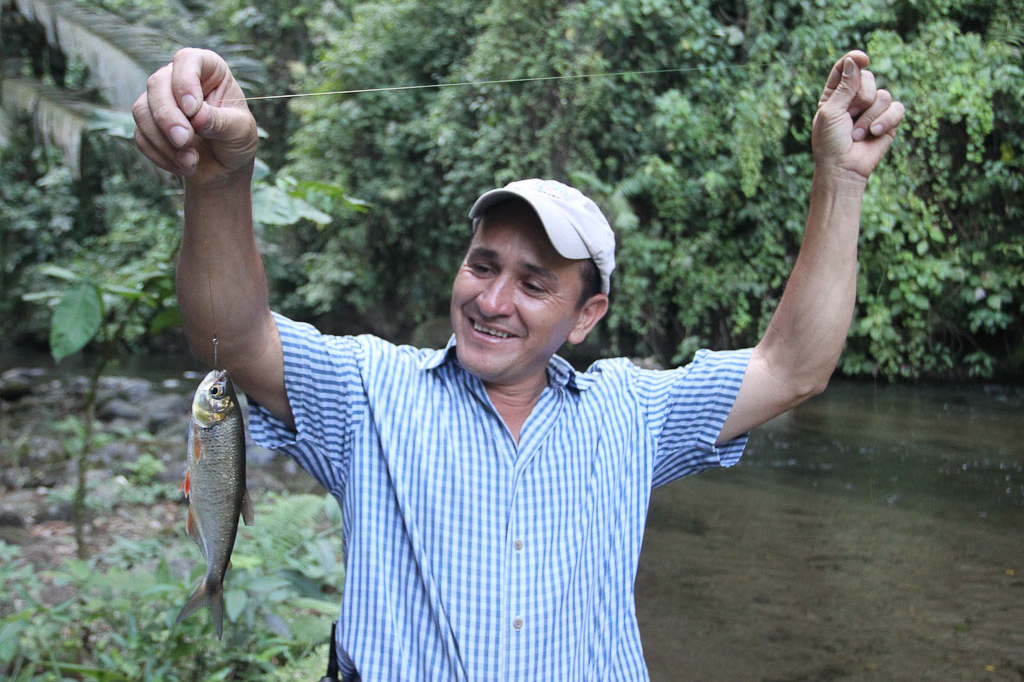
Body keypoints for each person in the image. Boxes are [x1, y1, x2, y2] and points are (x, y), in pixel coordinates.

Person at [133, 48, 904, 680]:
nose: (493, 300)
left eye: (534, 284)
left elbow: (793, 367)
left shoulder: (631, 413)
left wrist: (840, 180)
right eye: (482, 265)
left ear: (586, 316)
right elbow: (229, 340)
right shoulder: (370, 389)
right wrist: (218, 181)